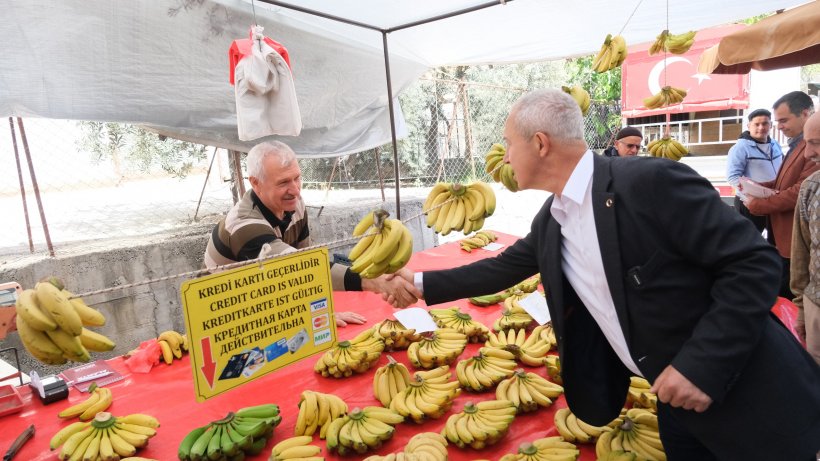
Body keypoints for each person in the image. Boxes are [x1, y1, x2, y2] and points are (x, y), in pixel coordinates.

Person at [388, 89, 820, 459]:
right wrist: (416, 284)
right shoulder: (554, 216)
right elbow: (503, 267)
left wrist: (701, 366)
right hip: (673, 403)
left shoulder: (650, 182)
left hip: (744, 393)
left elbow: (753, 262)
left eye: (507, 144)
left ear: (540, 143)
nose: (501, 158)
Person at [204, 141, 422, 326]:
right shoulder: (245, 226)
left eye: (297, 178)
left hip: (268, 299)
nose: (296, 190)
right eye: (283, 183)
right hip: (233, 319)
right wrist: (376, 281)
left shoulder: (294, 204)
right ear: (255, 183)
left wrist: (319, 313)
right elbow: (301, 266)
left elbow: (305, 262)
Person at [747, 91, 820, 300]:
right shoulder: (798, 144)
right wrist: (760, 186)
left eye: (783, 120)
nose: (778, 126)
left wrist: (759, 205)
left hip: (795, 242)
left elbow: (800, 191)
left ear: (805, 114)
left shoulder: (806, 146)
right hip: (783, 238)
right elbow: (787, 181)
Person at [791, 111, 820, 365]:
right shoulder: (811, 187)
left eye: (816, 142)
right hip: (816, 307)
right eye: (807, 142)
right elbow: (801, 252)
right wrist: (801, 308)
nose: (809, 153)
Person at [725, 108, 783, 233]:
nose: (761, 127)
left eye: (765, 123)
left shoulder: (775, 144)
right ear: (749, 126)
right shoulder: (740, 148)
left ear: (771, 125)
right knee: (749, 241)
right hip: (749, 204)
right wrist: (753, 193)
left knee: (775, 238)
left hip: (773, 201)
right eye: (757, 124)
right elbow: (732, 177)